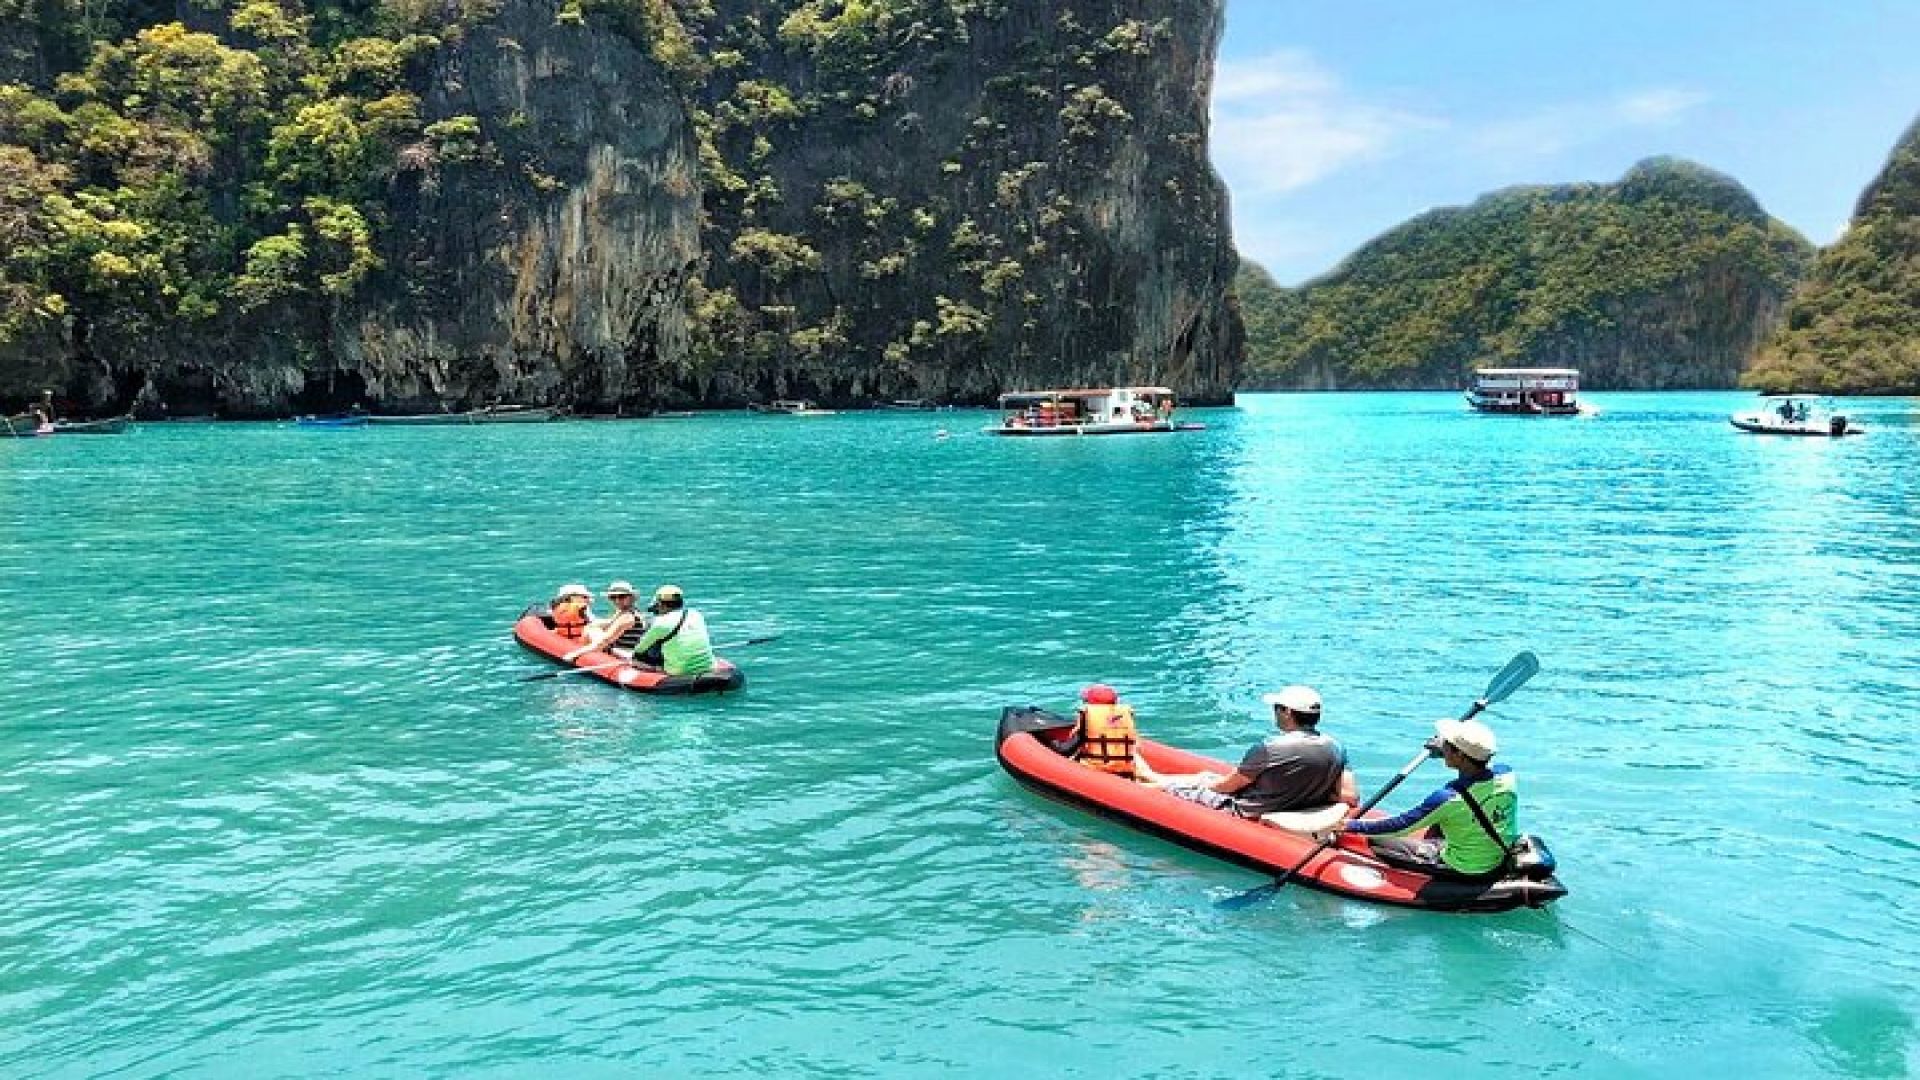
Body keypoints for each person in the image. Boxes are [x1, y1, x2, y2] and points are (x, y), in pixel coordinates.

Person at [1333, 718, 1518, 879]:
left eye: (1446, 744)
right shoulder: (1507, 774)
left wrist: (1352, 826)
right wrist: (1444, 752)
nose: (1442, 744)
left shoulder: (1448, 798)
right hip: (1496, 856)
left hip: (1465, 866)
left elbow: (1400, 825)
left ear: (1460, 754)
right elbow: (1478, 766)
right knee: (1445, 821)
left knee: (1378, 841)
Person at [1157, 685, 1357, 817]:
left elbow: (1225, 788)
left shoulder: (1269, 748)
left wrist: (1201, 787)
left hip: (1248, 810)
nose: (1275, 713)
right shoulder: (1337, 747)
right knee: (1203, 776)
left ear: (1286, 712)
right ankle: (1156, 778)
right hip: (1295, 808)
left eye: (1277, 708)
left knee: (1171, 789)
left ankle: (1147, 784)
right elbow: (1349, 796)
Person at [1050, 684, 1156, 781]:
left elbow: (1066, 750)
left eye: (1086, 700)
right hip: (1124, 771)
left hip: (1098, 769)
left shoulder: (1090, 719)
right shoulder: (1123, 715)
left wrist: (1053, 743)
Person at [627, 584, 716, 676]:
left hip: (679, 671)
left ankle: (655, 669)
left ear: (660, 604)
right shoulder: (696, 614)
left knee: (636, 658)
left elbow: (639, 649)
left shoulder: (660, 623)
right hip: (708, 667)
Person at [562, 581, 646, 661]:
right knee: (591, 627)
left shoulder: (627, 617)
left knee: (590, 630)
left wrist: (575, 653)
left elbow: (604, 642)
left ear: (630, 597)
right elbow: (609, 623)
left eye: (621, 596)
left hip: (622, 652)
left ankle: (581, 650)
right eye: (613, 597)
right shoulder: (629, 611)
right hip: (625, 648)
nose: (617, 601)